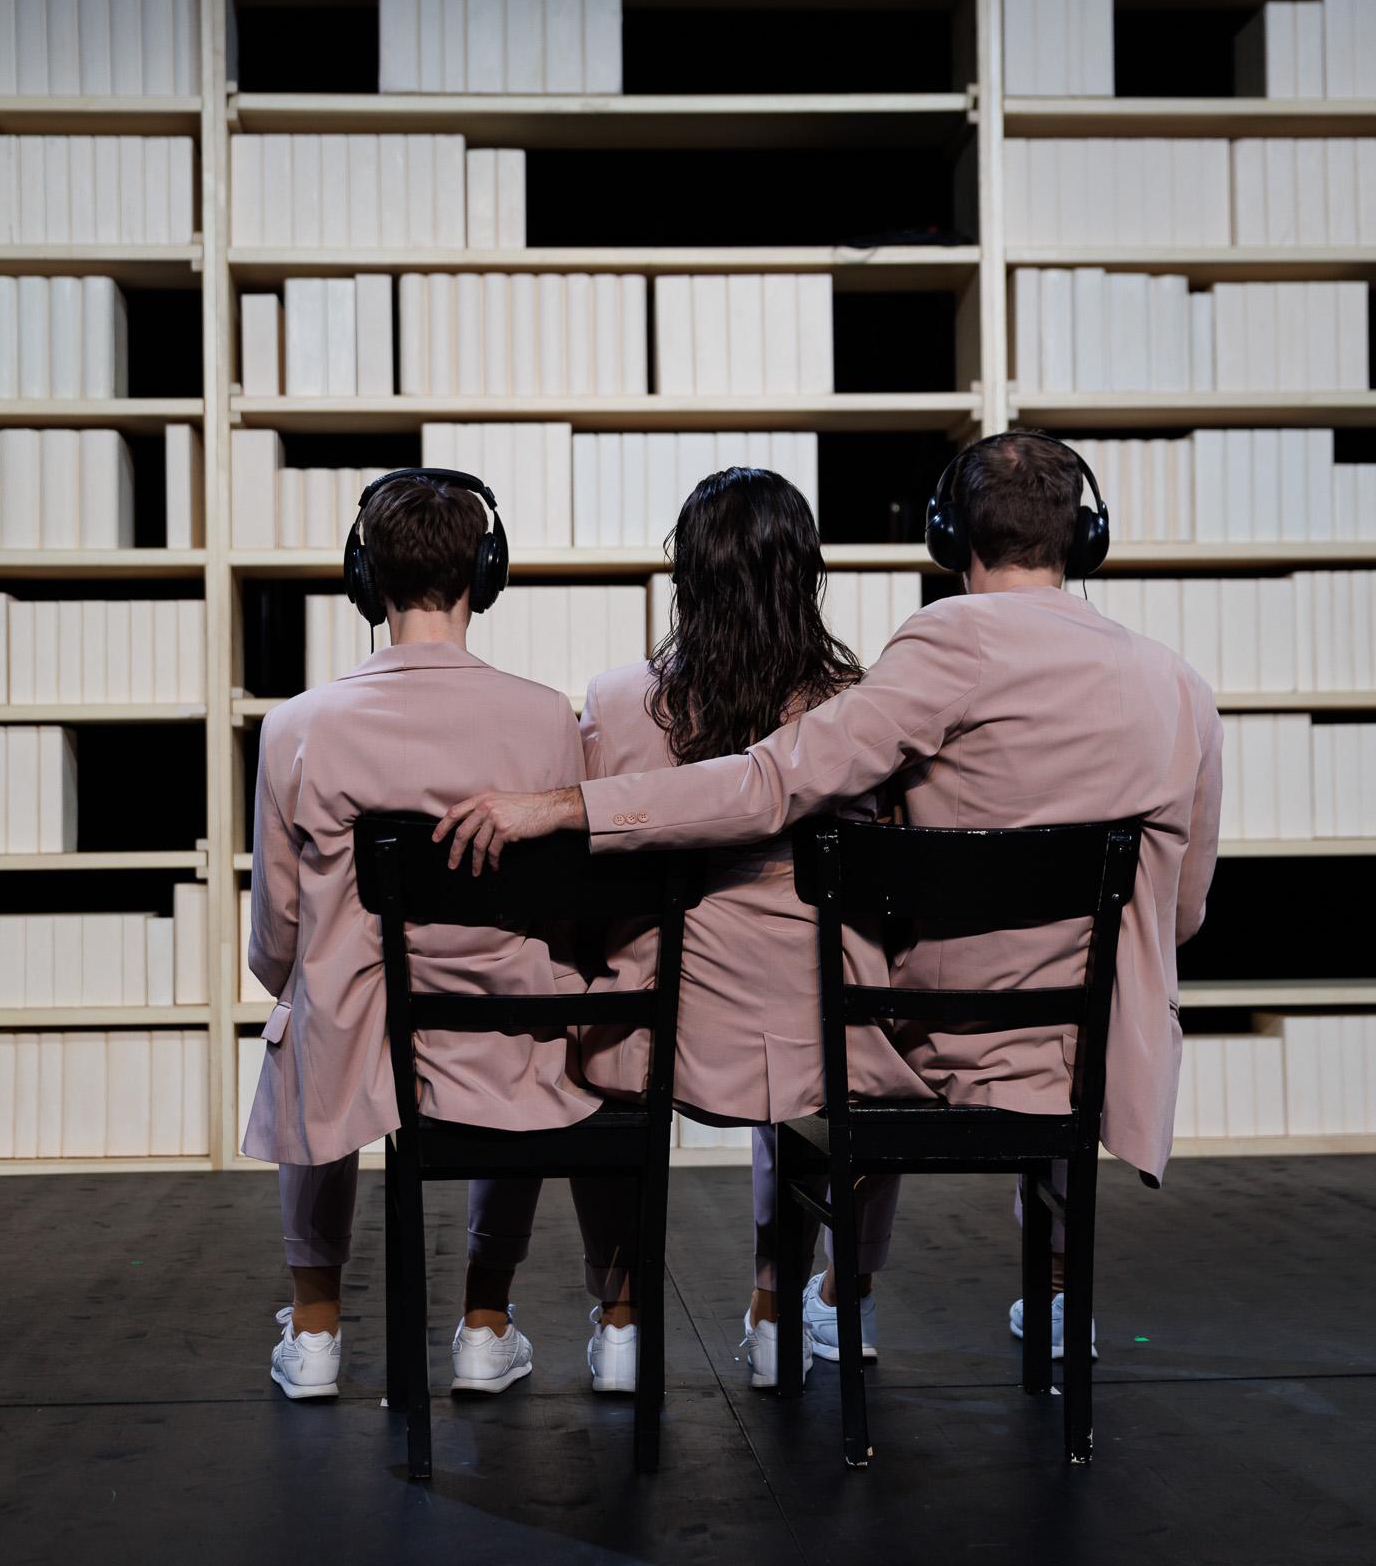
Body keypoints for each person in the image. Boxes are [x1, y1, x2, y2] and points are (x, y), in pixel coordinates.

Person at [438, 432, 1225, 1356]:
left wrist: (573, 806)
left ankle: (585, 1313)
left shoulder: (945, 644)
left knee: (846, 1015)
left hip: (937, 1032)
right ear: (1082, 537)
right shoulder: (1182, 685)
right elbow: (1184, 912)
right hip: (1096, 1047)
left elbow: (774, 781)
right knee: (869, 1023)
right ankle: (1033, 1294)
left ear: (951, 532)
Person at [571, 467, 934, 1387]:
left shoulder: (617, 703)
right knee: (867, 1070)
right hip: (827, 1030)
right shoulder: (861, 708)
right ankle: (791, 1301)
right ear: (804, 577)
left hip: (663, 1029)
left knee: (588, 1055)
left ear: (686, 578)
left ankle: (620, 1320)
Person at [243, 467, 598, 1402]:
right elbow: (566, 906)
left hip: (361, 1042)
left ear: (365, 577)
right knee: (531, 1012)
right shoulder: (547, 719)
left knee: (307, 1008)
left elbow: (275, 935)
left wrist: (301, 975)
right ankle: (485, 1321)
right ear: (487, 572)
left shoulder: (297, 727)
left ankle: (315, 1331)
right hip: (496, 1034)